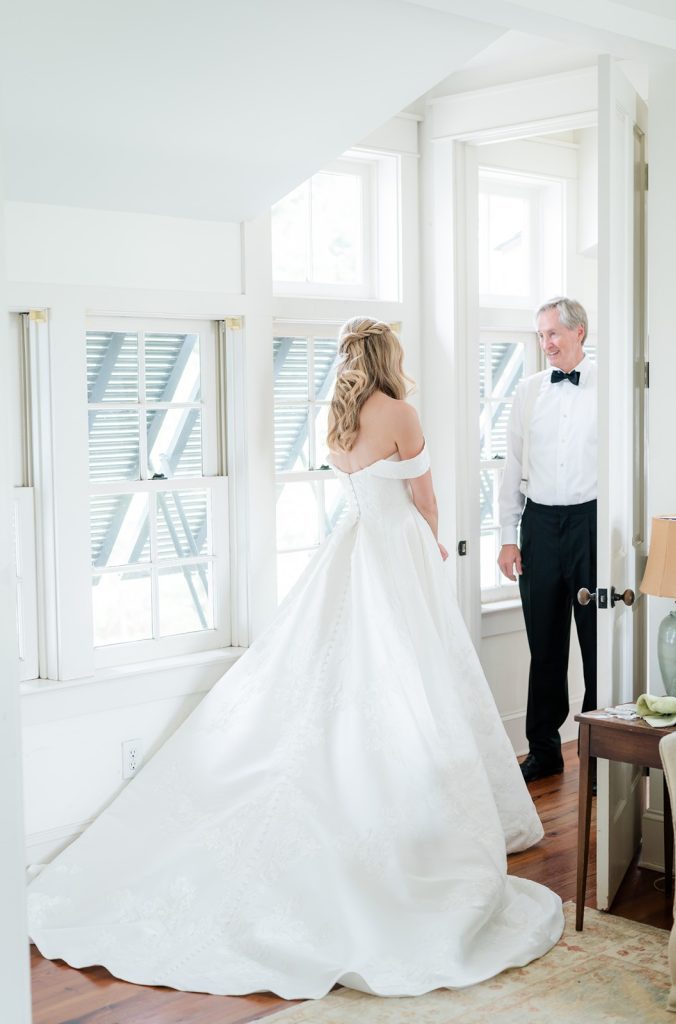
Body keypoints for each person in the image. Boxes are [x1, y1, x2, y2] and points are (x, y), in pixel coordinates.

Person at [27, 318, 563, 1000]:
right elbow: (424, 498)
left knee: (341, 683)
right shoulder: (400, 411)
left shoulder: (338, 419)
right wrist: (433, 547)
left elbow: (359, 485)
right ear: (387, 357)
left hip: (352, 545)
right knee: (414, 679)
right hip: (394, 550)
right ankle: (408, 813)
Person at [498, 298, 597, 785]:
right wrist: (506, 537)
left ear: (580, 332)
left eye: (554, 333)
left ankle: (599, 757)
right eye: (541, 336)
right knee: (545, 643)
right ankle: (544, 750)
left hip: (592, 523)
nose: (547, 344)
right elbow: (512, 466)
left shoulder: (609, 387)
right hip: (538, 525)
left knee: (598, 643)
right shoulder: (528, 391)